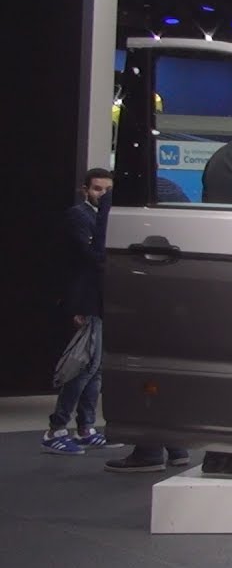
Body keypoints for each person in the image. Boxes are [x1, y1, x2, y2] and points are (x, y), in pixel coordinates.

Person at [43, 169, 123, 455]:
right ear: (85, 190)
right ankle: (56, 428)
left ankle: (85, 427)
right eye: (97, 189)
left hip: (100, 299)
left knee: (95, 368)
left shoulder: (106, 218)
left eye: (107, 189)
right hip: (85, 299)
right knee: (82, 366)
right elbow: (90, 257)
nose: (102, 194)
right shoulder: (79, 216)